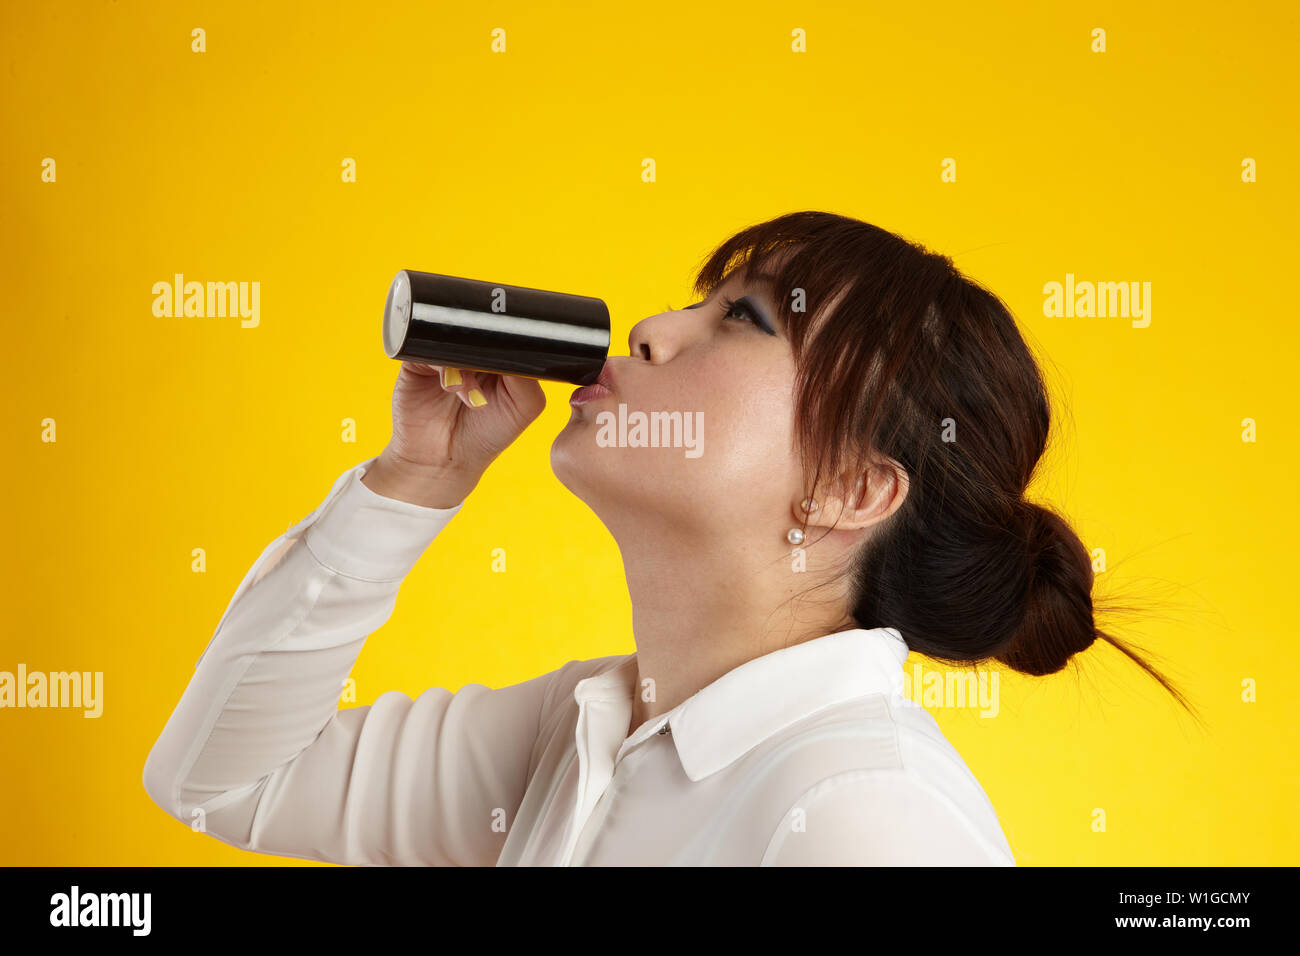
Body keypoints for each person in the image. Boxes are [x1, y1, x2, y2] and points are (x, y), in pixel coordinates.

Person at [142, 209, 1193, 866]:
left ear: (849, 486)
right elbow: (226, 781)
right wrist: (411, 485)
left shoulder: (864, 813)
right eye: (699, 301)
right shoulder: (583, 733)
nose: (649, 326)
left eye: (742, 319)